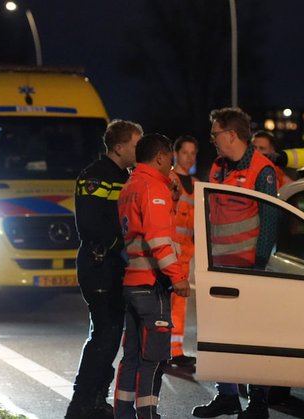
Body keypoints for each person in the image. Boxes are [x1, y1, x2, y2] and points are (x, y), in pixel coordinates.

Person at [192, 107, 278, 419]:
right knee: (220, 335)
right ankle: (227, 396)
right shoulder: (218, 167)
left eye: (215, 133)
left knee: (252, 337)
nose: (212, 139)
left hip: (247, 269)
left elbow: (270, 218)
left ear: (231, 135)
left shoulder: (262, 170)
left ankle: (258, 403)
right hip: (218, 267)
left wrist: (259, 266)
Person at [67, 120, 143, 419]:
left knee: (108, 333)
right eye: (136, 145)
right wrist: (119, 247)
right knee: (106, 334)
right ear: (120, 146)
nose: (140, 150)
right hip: (99, 265)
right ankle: (82, 401)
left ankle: (95, 397)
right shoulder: (95, 177)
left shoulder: (124, 176)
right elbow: (90, 224)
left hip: (113, 266)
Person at [114, 133, 191, 419]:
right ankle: (147, 414)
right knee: (154, 359)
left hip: (132, 280)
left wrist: (171, 199)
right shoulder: (153, 188)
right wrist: (178, 277)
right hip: (151, 283)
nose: (172, 163)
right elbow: (159, 240)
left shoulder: (132, 185)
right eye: (170, 157)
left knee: (132, 355)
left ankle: (122, 413)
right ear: (160, 157)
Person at [168, 135, 199, 367]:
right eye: (185, 152)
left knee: (180, 302)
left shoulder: (197, 185)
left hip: (187, 252)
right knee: (165, 302)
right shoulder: (169, 179)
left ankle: (175, 350)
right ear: (176, 153)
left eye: (193, 153)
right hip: (169, 250)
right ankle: (163, 350)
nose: (189, 157)